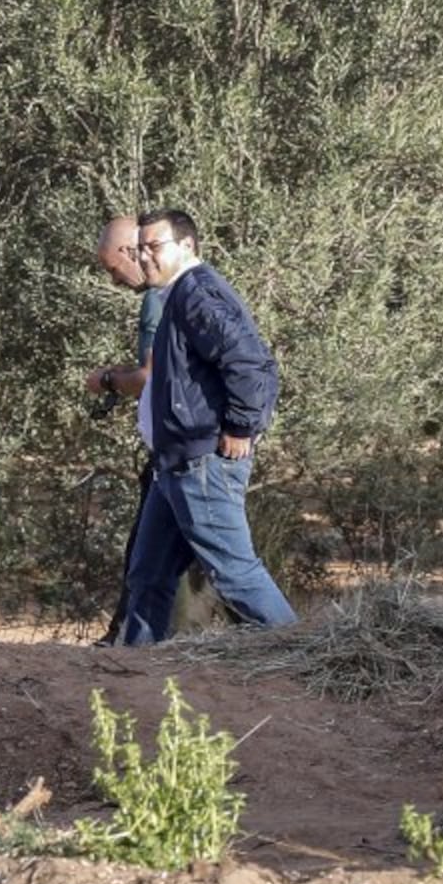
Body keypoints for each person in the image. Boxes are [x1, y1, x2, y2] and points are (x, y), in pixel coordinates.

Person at [118, 208, 296, 644]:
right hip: (174, 463)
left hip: (201, 463)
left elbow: (251, 365)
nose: (144, 258)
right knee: (148, 576)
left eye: (154, 247)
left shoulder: (197, 294)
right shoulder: (177, 296)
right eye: (139, 249)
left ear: (187, 246)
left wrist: (241, 426)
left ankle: (309, 653)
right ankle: (136, 676)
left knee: (235, 572)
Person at [84, 215, 174, 645]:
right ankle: (130, 642)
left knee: (222, 560)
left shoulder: (158, 299)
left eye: (111, 268)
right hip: (179, 449)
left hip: (176, 454)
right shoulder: (173, 294)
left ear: (128, 251)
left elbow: (151, 378)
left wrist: (107, 379)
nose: (115, 280)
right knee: (152, 558)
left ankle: (279, 635)